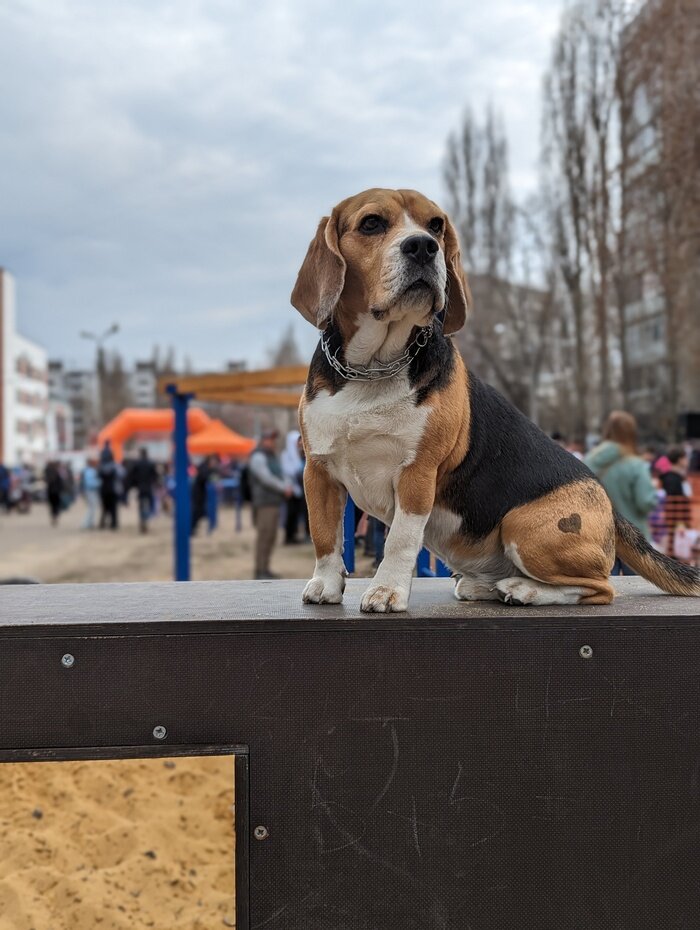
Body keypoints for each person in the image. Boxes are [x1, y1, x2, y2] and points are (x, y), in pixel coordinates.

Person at [585, 410, 658, 575]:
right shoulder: (636, 465)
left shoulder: (590, 460)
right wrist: (655, 497)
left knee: (605, 585)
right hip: (633, 536)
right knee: (639, 587)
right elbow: (644, 502)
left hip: (599, 534)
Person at [249, 429, 292, 580]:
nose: (272, 442)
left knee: (271, 536)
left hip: (273, 502)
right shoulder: (259, 456)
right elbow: (265, 477)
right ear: (263, 440)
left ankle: (265, 568)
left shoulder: (272, 456)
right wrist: (283, 487)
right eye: (269, 439)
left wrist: (286, 484)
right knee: (264, 536)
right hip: (264, 503)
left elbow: (281, 474)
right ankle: (260, 570)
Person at [281, 430, 305, 544]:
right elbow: (287, 471)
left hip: (299, 489)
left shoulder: (300, 454)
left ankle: (294, 535)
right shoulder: (286, 455)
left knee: (296, 514)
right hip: (290, 488)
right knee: (290, 513)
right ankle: (288, 536)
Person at [128, 448, 159, 533]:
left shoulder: (136, 464)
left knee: (141, 505)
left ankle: (142, 519)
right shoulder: (151, 463)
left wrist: (132, 485)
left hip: (140, 487)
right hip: (148, 487)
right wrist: (156, 484)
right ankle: (145, 519)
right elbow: (155, 476)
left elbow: (131, 476)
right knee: (149, 505)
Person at [81, 458, 101, 529]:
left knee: (92, 508)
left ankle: (90, 523)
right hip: (90, 491)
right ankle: (86, 524)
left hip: (90, 491)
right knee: (91, 508)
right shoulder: (90, 471)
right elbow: (90, 483)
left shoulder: (88, 470)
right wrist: (100, 483)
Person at [44, 461, 65, 526]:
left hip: (50, 491)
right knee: (56, 505)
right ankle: (55, 516)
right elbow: (61, 482)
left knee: (52, 505)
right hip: (56, 491)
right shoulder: (58, 472)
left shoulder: (48, 473)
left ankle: (53, 516)